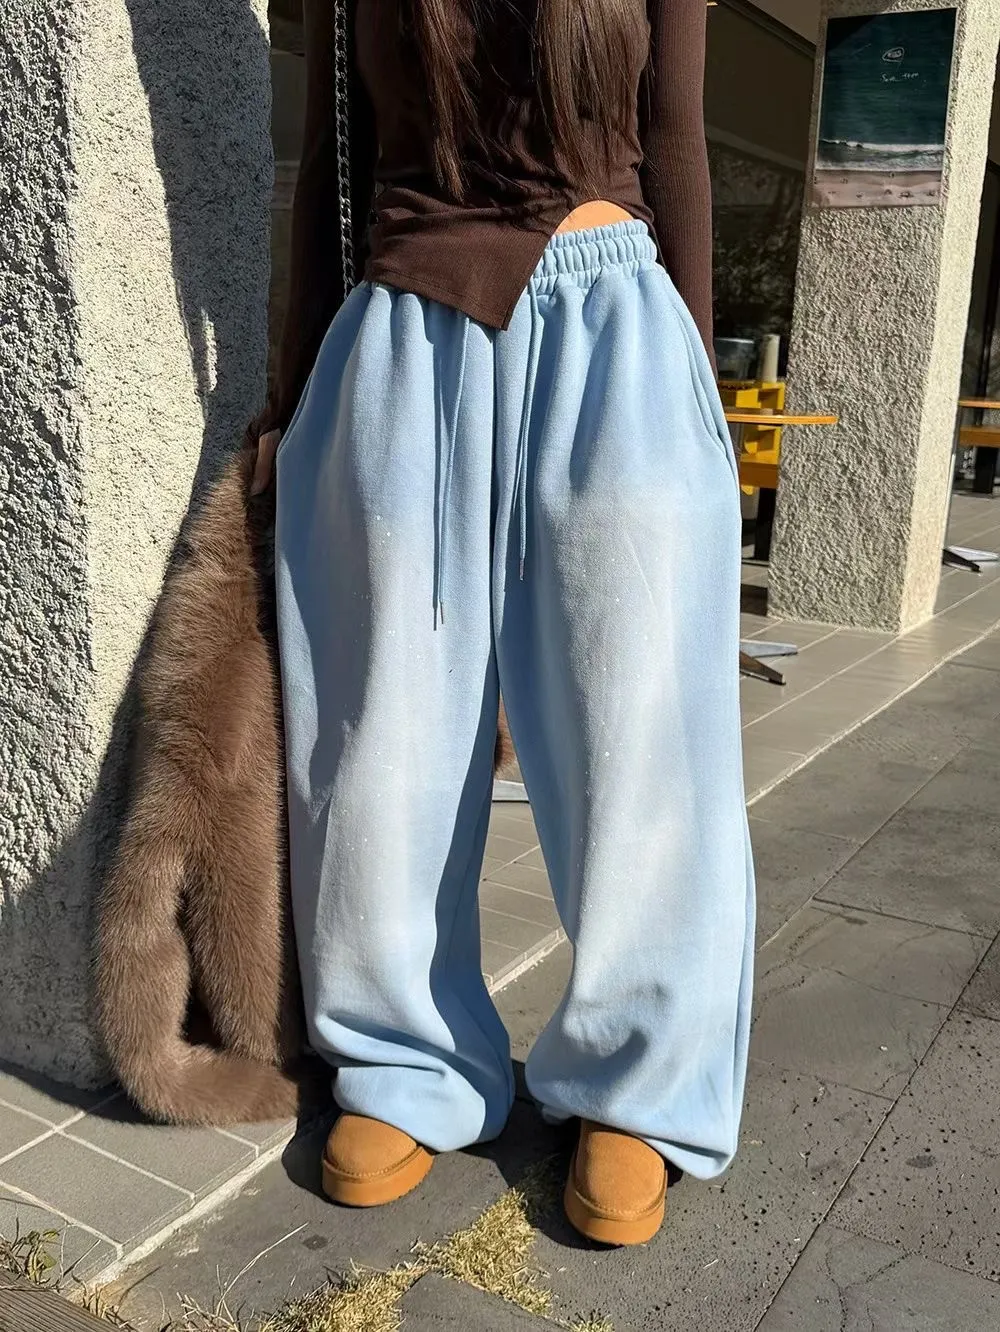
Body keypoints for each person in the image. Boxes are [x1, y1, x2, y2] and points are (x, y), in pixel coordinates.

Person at [257, 0, 754, 1248]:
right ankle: (405, 1056)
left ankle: (639, 1077)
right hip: (403, 326)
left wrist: (695, 395)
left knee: (638, 736)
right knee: (380, 736)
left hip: (617, 323)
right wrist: (290, 389)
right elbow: (328, 164)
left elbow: (675, 138)